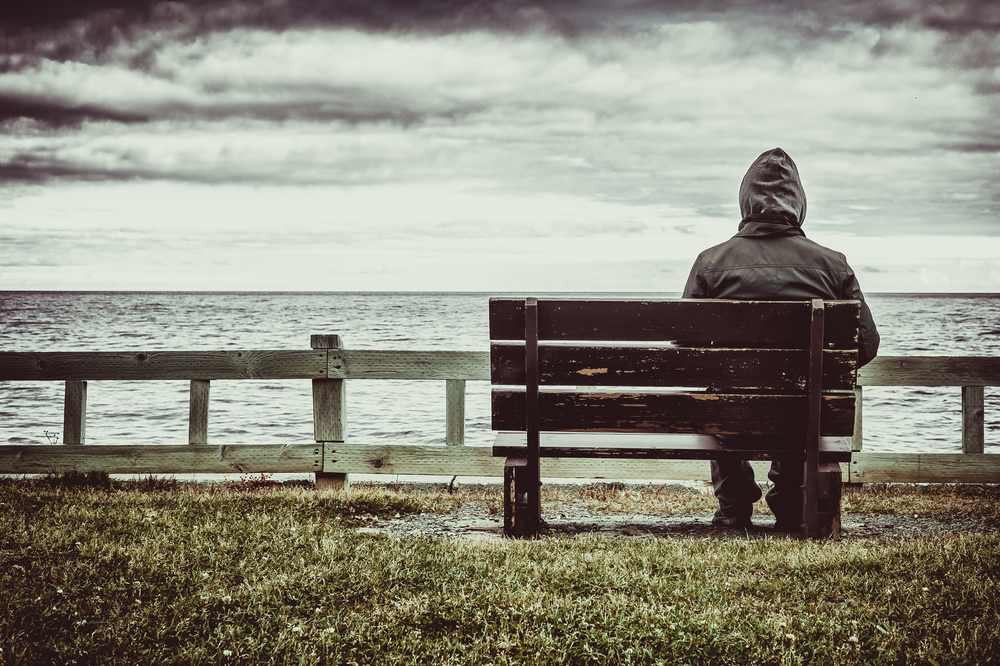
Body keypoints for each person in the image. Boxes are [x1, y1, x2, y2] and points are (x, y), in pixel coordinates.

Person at [682, 147, 880, 531]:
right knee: (804, 403)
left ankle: (734, 507)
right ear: (799, 204)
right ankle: (789, 503)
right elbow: (866, 344)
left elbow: (685, 348)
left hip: (731, 413)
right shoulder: (833, 265)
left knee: (719, 401)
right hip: (802, 412)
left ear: (746, 202)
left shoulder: (710, 263)